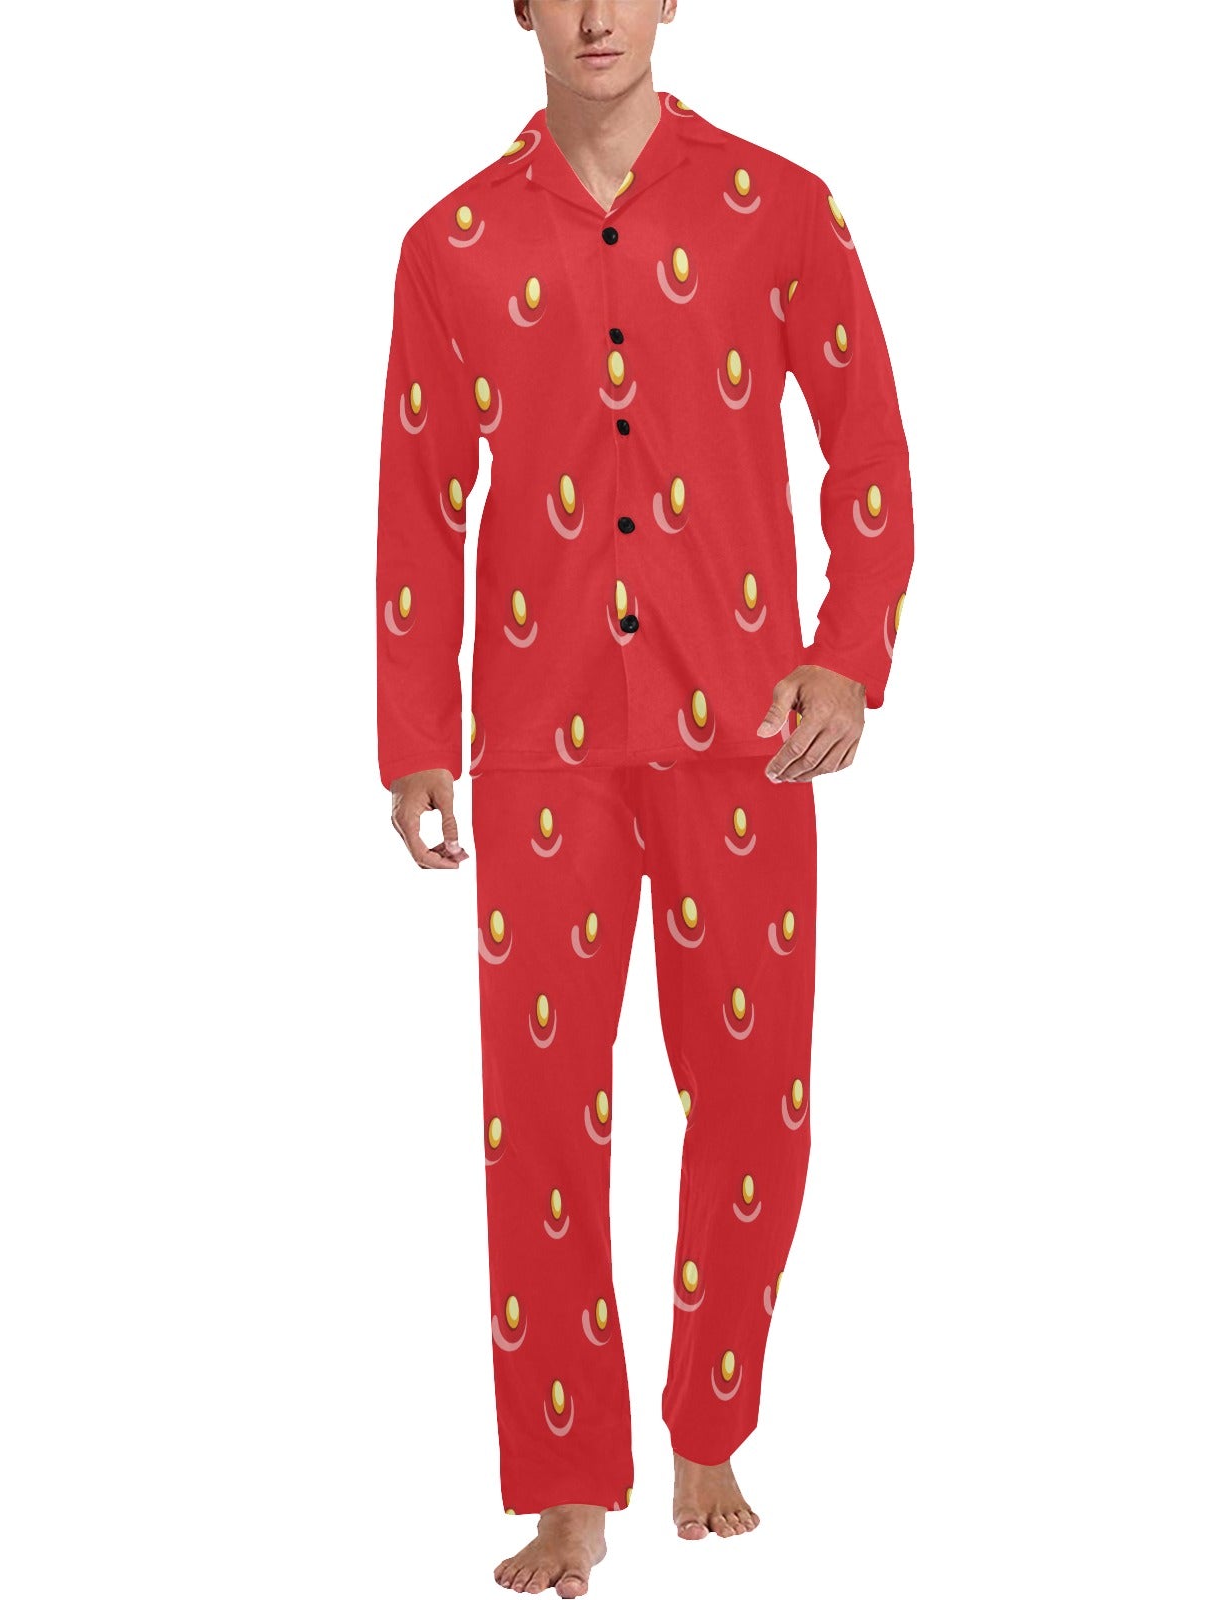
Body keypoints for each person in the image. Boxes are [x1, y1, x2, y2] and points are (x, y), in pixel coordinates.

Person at [374, 3, 914, 1593]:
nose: (598, 15)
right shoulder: (450, 244)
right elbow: (419, 497)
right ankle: (565, 1486)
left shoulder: (780, 210)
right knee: (540, 1119)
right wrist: (416, 733)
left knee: (755, 1096)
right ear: (519, 9)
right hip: (537, 740)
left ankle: (708, 1422)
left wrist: (846, 657)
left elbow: (869, 451)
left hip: (746, 732)